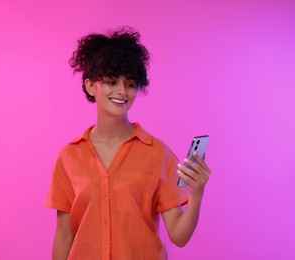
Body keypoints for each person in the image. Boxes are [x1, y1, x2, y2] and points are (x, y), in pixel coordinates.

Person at [44, 27, 212, 260]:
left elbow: (178, 236)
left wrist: (197, 194)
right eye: (112, 81)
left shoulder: (158, 154)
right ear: (91, 86)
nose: (122, 91)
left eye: (130, 83)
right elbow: (64, 236)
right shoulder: (69, 157)